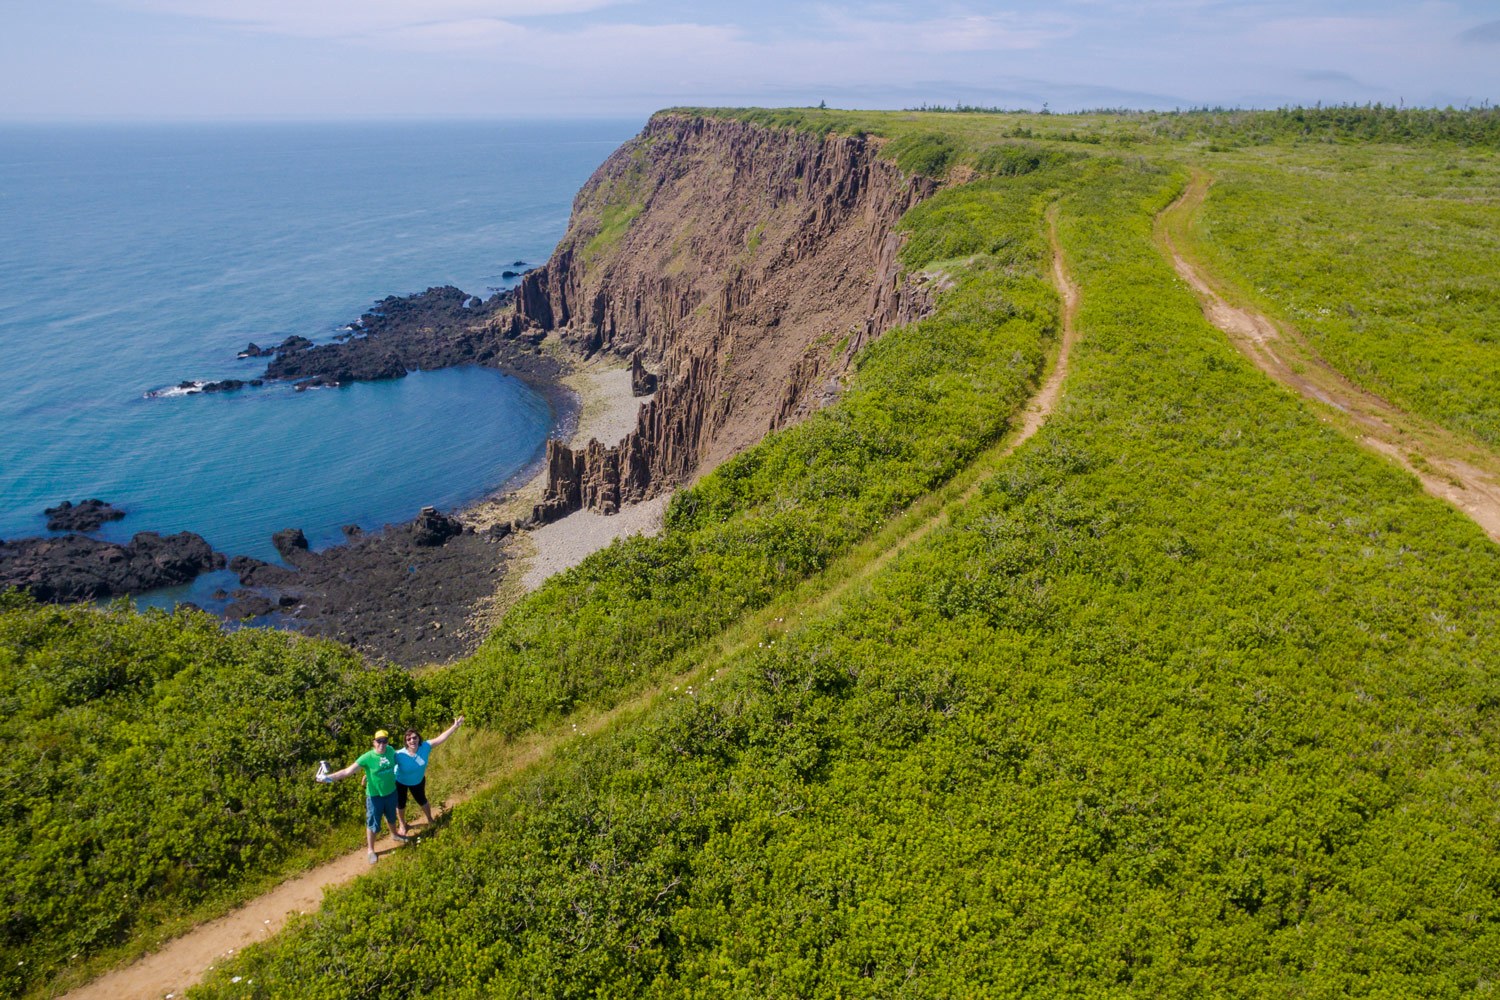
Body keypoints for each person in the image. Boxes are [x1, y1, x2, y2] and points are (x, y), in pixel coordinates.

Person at [320, 729, 409, 864]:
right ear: (374, 742)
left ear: (387, 742)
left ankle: (395, 835)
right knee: (373, 823)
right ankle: (371, 850)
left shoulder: (391, 751)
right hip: (374, 797)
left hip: (391, 792)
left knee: (391, 817)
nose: (382, 744)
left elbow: (397, 763)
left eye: (384, 741)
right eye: (379, 741)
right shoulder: (367, 757)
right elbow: (347, 771)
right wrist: (328, 778)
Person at [395, 716, 463, 837]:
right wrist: (369, 775)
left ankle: (430, 819)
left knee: (422, 800)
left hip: (417, 781)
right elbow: (385, 764)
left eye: (414, 737)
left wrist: (454, 726)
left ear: (418, 738)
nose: (412, 740)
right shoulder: (399, 754)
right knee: (401, 804)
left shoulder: (425, 746)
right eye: (408, 739)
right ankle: (402, 824)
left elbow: (441, 738)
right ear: (405, 742)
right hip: (400, 781)